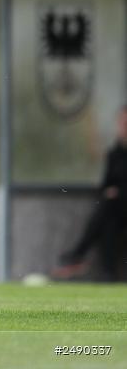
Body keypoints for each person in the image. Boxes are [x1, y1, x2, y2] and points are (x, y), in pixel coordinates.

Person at [53, 105, 127, 282]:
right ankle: (108, 274)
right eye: (123, 122)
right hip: (118, 210)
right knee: (108, 220)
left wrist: (119, 192)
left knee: (108, 208)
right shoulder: (114, 154)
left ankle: (79, 254)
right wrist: (112, 192)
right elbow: (104, 186)